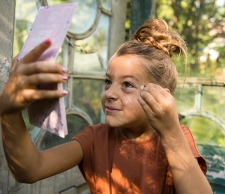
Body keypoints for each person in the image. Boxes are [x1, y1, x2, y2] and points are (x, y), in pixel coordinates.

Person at [0, 18, 212, 193]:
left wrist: (171, 133)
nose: (109, 93)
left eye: (127, 84)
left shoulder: (176, 137)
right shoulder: (95, 138)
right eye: (108, 81)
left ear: (161, 97)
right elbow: (29, 170)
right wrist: (8, 112)